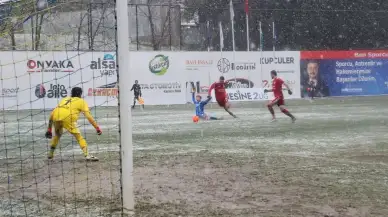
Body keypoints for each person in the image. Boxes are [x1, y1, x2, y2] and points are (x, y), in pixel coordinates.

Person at [45, 87, 102, 161]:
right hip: (68, 118)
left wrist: (49, 129)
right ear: (81, 94)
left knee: (57, 135)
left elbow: (53, 112)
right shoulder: (81, 101)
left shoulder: (64, 99)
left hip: (56, 116)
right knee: (79, 137)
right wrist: (97, 128)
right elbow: (88, 116)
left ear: (71, 93)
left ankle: (50, 154)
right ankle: (87, 155)